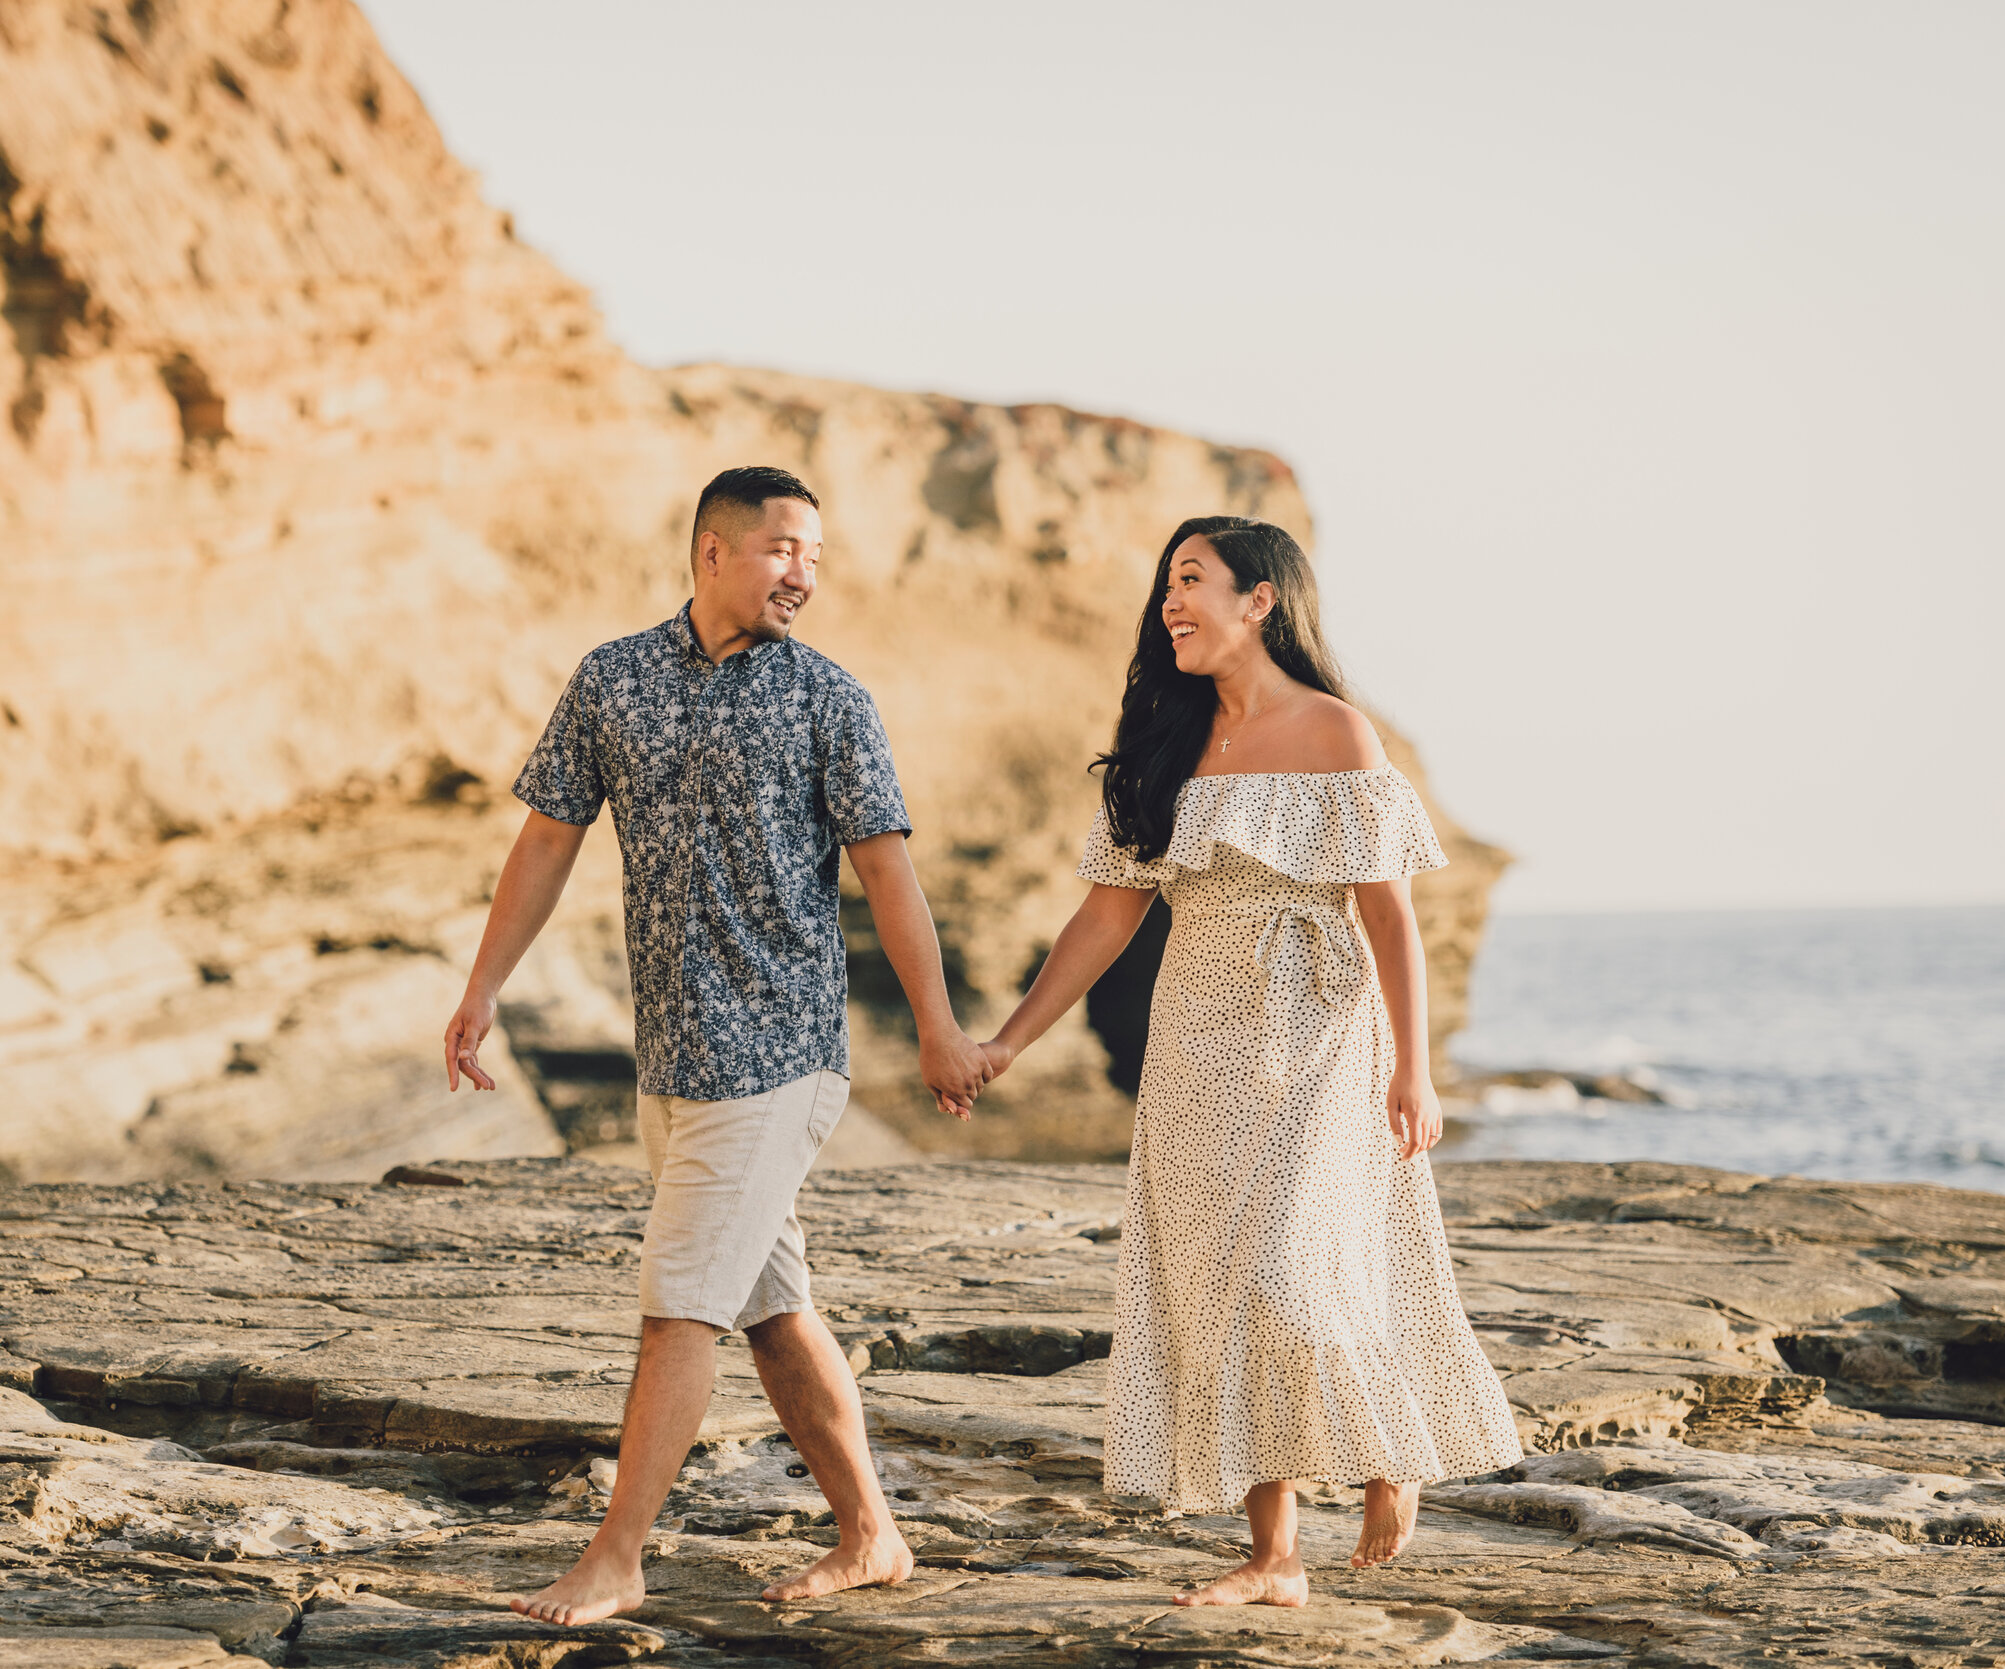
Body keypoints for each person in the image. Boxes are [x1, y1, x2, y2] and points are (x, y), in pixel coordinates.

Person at [442, 465, 995, 1624]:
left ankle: (618, 1555)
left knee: (678, 1301)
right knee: (770, 1307)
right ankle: (872, 1534)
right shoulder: (613, 679)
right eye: (786, 548)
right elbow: (546, 840)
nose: (806, 574)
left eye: (816, 555)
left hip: (781, 1051)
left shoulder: (829, 700)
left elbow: (889, 877)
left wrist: (937, 1029)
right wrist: (484, 986)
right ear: (713, 550)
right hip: (673, 1059)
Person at [977, 516, 1521, 1608]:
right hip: (1196, 1036)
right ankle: (1273, 1554)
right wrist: (1005, 1041)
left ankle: (1388, 1449)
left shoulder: (1335, 733)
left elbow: (1390, 919)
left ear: (1259, 600)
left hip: (1320, 1028)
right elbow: (1103, 919)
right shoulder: (1165, 743)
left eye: (1193, 580)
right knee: (1216, 1281)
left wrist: (1412, 1069)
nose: (1170, 600)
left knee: (1285, 1266)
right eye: (1166, 583)